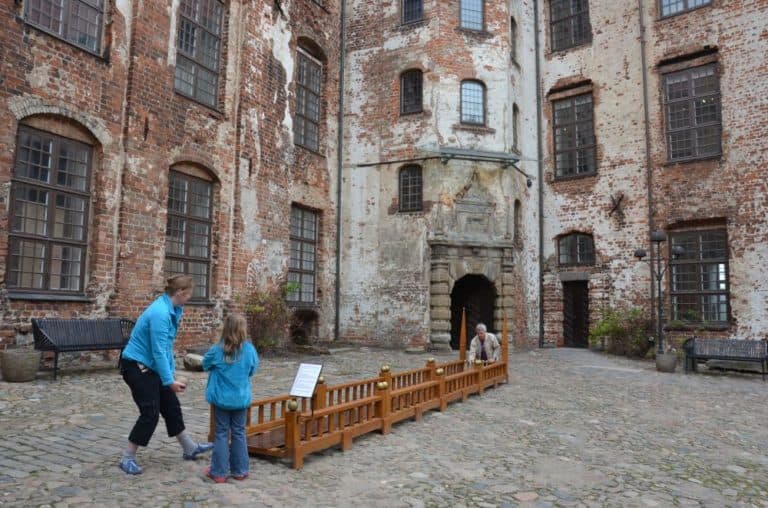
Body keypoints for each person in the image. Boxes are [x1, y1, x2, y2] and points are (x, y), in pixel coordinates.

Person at [118, 275, 213, 475]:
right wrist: (169, 380)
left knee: (170, 405)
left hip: (152, 365)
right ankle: (127, 458)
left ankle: (189, 448)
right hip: (135, 366)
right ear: (179, 293)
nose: (189, 299)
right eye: (188, 295)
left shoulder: (173, 309)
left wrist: (170, 375)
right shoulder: (160, 313)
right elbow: (158, 351)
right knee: (150, 412)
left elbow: (167, 347)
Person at [203, 314, 259, 483]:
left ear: (225, 329)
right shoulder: (249, 350)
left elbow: (205, 364)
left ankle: (218, 472)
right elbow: (252, 370)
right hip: (240, 399)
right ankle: (240, 471)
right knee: (239, 433)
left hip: (221, 399)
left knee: (220, 433)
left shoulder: (216, 350)